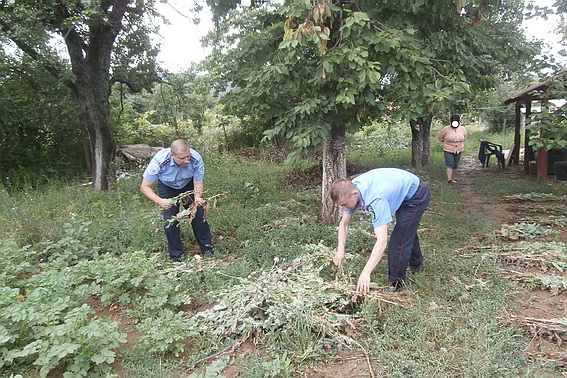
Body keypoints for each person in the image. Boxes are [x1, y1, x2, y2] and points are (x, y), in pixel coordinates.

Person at [330, 168, 430, 294]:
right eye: (341, 206)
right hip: (403, 187)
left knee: (399, 240)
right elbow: (344, 223)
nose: (344, 208)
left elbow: (382, 241)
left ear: (355, 194)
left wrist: (366, 272)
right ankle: (417, 264)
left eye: (345, 204)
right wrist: (340, 249)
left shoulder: (375, 199)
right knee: (406, 230)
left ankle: (398, 283)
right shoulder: (351, 190)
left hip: (416, 195)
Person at [140, 139, 214, 262]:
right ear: (172, 155)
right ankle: (176, 256)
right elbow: (144, 187)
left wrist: (198, 198)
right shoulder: (160, 161)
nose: (186, 160)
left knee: (198, 216)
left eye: (188, 156)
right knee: (170, 221)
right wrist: (160, 201)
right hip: (168, 188)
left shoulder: (196, 159)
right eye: (182, 158)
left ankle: (208, 251)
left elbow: (198, 182)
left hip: (188, 186)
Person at [437, 114, 467, 183]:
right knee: (450, 163)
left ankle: (452, 178)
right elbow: (440, 137)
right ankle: (449, 179)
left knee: (455, 164)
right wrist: (448, 142)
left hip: (458, 149)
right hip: (448, 149)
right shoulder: (446, 129)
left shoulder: (462, 129)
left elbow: (465, 138)